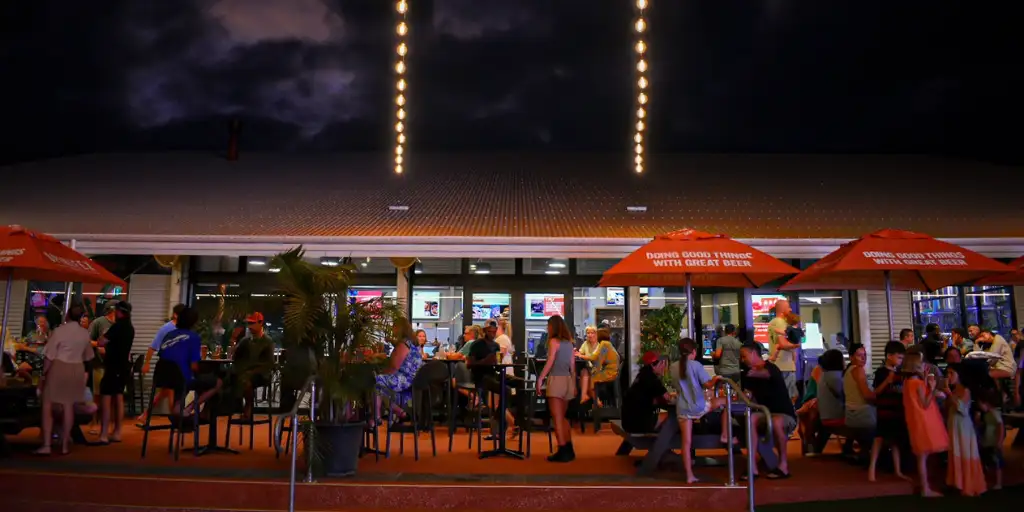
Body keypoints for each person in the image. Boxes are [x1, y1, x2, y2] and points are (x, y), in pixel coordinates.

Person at [35, 304, 95, 455]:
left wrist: (44, 374)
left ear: (67, 315)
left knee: (48, 405)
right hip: (77, 368)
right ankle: (65, 444)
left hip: (59, 367)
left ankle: (47, 445)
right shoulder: (84, 333)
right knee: (68, 406)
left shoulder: (59, 331)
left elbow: (49, 356)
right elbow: (88, 356)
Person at [739, 342, 796, 479]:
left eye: (744, 356)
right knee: (751, 418)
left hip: (784, 415)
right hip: (765, 413)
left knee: (776, 422)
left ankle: (783, 465)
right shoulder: (747, 374)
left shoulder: (771, 368)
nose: (742, 360)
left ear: (753, 354)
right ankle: (752, 467)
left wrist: (753, 372)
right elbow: (749, 396)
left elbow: (766, 374)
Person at [154, 307, 222, 418]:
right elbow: (194, 366)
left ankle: (177, 407)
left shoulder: (168, 335)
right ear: (194, 323)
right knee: (217, 382)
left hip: (162, 378)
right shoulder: (193, 337)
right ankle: (189, 408)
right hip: (181, 379)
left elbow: (163, 356)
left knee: (181, 379)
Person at [675, 338, 723, 483]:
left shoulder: (673, 366)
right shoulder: (696, 365)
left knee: (686, 442)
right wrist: (715, 379)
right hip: (698, 407)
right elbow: (708, 385)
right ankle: (726, 435)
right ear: (694, 351)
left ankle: (689, 475)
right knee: (724, 401)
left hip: (682, 408)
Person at [903, 351, 948, 498]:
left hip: (915, 419)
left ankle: (925, 486)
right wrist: (933, 387)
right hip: (923, 419)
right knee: (922, 457)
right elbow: (925, 403)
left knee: (921, 456)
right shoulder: (918, 383)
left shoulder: (907, 382)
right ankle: (925, 488)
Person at [536, 314, 576, 462]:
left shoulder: (554, 342)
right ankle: (569, 448)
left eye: (549, 325)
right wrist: (574, 384)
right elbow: (573, 366)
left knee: (557, 418)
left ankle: (562, 449)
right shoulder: (569, 343)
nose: (548, 328)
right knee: (563, 417)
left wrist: (540, 379)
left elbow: (550, 362)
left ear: (553, 326)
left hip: (556, 380)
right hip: (567, 380)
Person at [943, 363, 987, 496]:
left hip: (963, 427)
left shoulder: (965, 390)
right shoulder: (955, 389)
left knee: (964, 453)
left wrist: (948, 393)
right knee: (956, 452)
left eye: (952, 373)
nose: (949, 376)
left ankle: (968, 485)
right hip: (954, 426)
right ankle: (957, 483)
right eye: (948, 373)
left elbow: (961, 409)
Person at [867, 341, 908, 482]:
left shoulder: (900, 374)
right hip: (884, 411)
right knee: (879, 439)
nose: (900, 361)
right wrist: (887, 381)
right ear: (889, 356)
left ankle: (898, 470)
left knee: (895, 441)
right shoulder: (881, 373)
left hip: (896, 410)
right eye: (899, 357)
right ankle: (871, 470)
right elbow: (876, 392)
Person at [138, 304, 186, 422]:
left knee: (165, 392)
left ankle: (145, 415)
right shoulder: (166, 328)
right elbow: (153, 347)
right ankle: (176, 420)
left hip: (178, 365)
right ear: (175, 315)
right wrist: (147, 363)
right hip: (168, 365)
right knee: (170, 391)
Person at [96, 301, 134, 444]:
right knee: (118, 397)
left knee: (106, 398)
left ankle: (104, 433)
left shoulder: (118, 327)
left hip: (113, 367)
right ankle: (117, 431)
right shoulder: (130, 328)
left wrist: (102, 339)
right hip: (124, 367)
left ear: (119, 312)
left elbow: (101, 342)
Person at [374, 317, 423, 424]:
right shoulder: (412, 343)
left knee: (377, 381)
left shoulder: (404, 344)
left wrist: (382, 373)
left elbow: (394, 367)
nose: (392, 329)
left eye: (393, 327)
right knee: (380, 386)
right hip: (416, 380)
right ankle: (399, 412)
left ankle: (377, 416)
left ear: (398, 328)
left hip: (405, 380)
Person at [231, 312, 276, 419]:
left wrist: (253, 371)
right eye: (249, 324)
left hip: (261, 373)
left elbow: (269, 363)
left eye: (252, 323)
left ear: (260, 323)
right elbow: (235, 357)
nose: (250, 326)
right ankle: (232, 405)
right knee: (232, 377)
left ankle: (248, 406)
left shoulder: (267, 341)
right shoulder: (245, 341)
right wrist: (233, 341)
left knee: (245, 379)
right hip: (246, 372)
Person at [621, 351, 672, 434]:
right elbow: (668, 399)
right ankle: (662, 444)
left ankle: (662, 443)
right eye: (662, 363)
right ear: (653, 365)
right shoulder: (653, 380)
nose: (664, 367)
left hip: (627, 423)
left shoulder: (641, 376)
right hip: (640, 424)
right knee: (671, 417)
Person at [767, 300, 799, 402]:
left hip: (781, 365)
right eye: (788, 307)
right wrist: (796, 345)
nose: (790, 309)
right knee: (788, 397)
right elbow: (783, 344)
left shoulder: (774, 322)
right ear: (782, 310)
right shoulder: (780, 322)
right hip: (784, 365)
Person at [580, 328, 619, 406]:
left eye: (596, 334)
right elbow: (599, 359)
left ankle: (595, 402)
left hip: (609, 373)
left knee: (591, 378)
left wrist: (580, 355)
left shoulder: (604, 344)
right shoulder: (608, 344)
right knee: (589, 377)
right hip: (612, 372)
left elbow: (595, 358)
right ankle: (593, 400)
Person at [977, 389, 1004, 490]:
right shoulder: (987, 414)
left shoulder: (994, 413)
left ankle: (998, 483)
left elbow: (1000, 426)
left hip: (994, 442)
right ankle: (988, 481)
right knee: (988, 461)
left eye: (981, 404)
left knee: (997, 462)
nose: (980, 406)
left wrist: (999, 441)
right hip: (987, 441)